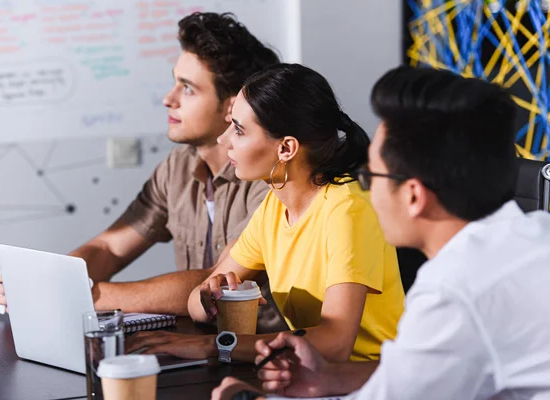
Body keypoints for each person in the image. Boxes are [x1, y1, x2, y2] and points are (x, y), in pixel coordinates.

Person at [212, 66, 550, 399]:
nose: (366, 192)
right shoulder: (534, 233)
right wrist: (331, 377)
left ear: (414, 196)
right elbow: (412, 374)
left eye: (372, 177)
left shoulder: (452, 293)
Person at [0, 12, 287, 332]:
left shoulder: (271, 178)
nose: (168, 99)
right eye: (175, 82)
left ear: (232, 107)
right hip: (194, 348)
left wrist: (83, 294)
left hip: (259, 359)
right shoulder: (176, 168)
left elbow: (214, 283)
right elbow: (108, 248)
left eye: (187, 89)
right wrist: (53, 281)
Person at [126, 63, 405, 364]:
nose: (224, 140)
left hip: (373, 381)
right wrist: (209, 296)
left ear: (286, 149)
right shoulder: (274, 207)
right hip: (314, 376)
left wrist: (213, 346)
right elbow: (196, 303)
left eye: (239, 130)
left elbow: (335, 342)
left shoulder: (347, 210)